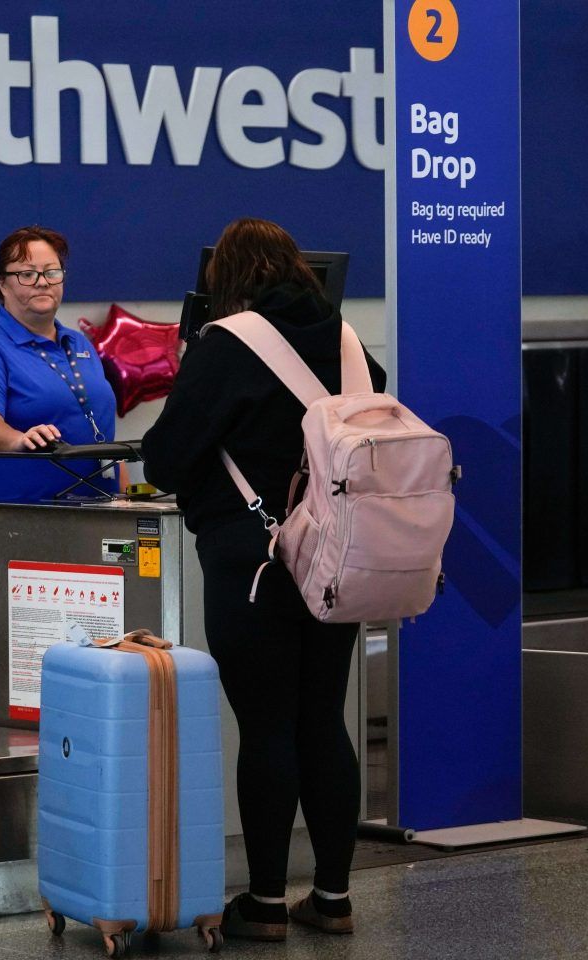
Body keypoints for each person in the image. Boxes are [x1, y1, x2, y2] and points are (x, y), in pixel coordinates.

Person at [141, 218, 386, 941]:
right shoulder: (347, 343)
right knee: (323, 721)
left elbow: (164, 458)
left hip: (255, 563)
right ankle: (335, 898)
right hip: (339, 559)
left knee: (268, 726)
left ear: (226, 280)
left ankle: (269, 902)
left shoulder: (227, 345)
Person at [0, 225, 118, 503]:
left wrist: (125, 498)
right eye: (27, 274)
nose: (42, 282)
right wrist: (19, 440)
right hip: (22, 517)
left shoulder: (80, 344)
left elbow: (105, 438)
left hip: (100, 511)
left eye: (51, 272)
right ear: (3, 284)